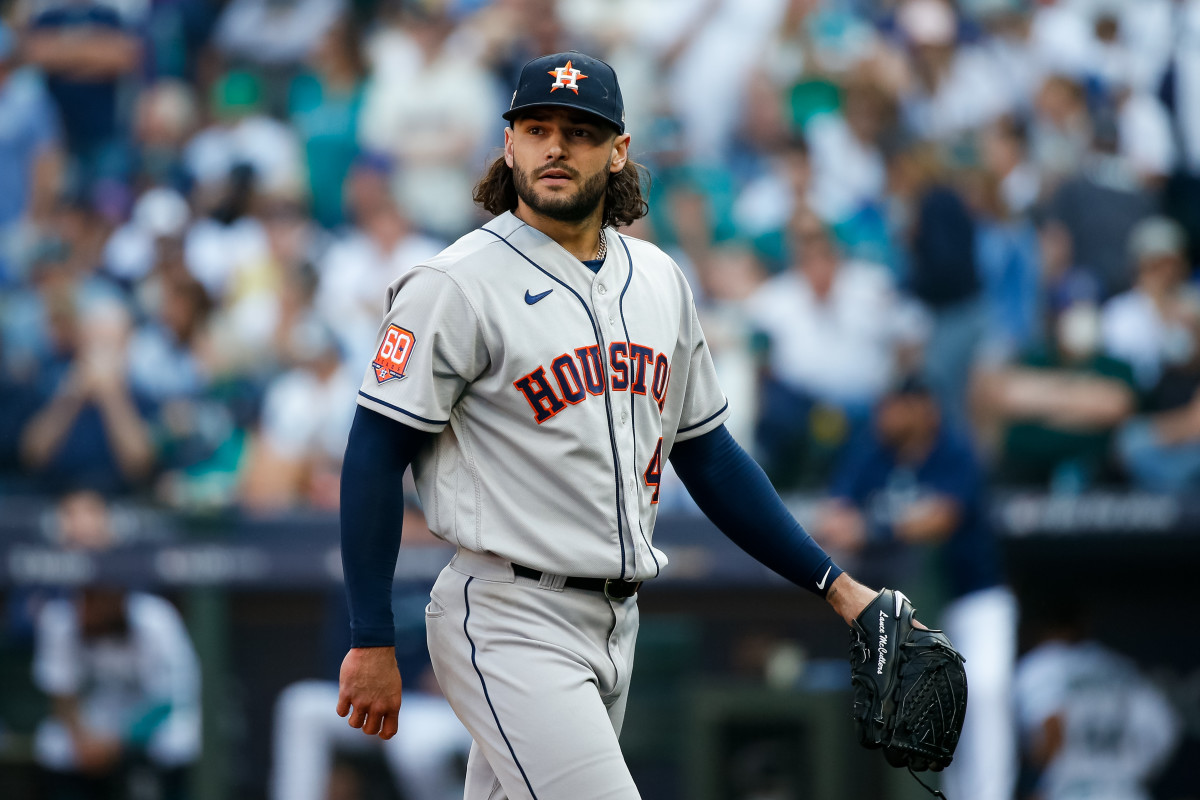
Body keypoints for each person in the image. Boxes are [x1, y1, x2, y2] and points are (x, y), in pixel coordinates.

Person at [334, 51, 916, 800]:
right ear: (508, 145)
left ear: (618, 152)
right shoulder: (455, 285)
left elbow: (708, 456)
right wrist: (370, 636)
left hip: (617, 621)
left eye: (579, 132)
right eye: (536, 127)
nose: (554, 146)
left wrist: (839, 588)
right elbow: (373, 453)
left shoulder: (659, 280)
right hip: (511, 616)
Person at [815, 376, 1016, 800]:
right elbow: (830, 520)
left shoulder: (954, 452)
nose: (883, 416)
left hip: (973, 597)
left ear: (923, 408)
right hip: (906, 606)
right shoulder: (872, 453)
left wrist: (870, 527)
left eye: (893, 407)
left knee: (986, 690)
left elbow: (941, 519)